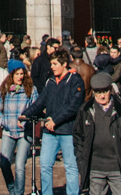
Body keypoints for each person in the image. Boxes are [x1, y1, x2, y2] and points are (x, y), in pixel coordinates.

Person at [75, 71, 121, 195]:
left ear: (110, 90)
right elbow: (78, 136)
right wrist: (81, 158)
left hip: (118, 167)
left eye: (105, 91)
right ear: (93, 92)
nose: (102, 96)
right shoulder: (85, 110)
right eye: (98, 92)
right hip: (95, 167)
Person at [40, 51, 90, 195]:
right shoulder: (50, 81)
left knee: (71, 167)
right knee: (45, 165)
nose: (52, 67)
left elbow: (74, 106)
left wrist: (56, 120)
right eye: (51, 64)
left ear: (64, 64)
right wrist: (25, 114)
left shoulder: (75, 80)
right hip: (50, 132)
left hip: (68, 131)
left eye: (55, 64)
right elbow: (40, 101)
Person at [0, 61, 39, 194]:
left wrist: (26, 121)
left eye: (22, 74)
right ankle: (12, 190)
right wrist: (4, 122)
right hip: (8, 132)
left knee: (20, 166)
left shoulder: (31, 90)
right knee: (4, 163)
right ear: (11, 75)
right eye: (17, 74)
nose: (20, 77)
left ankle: (18, 193)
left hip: (24, 134)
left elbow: (35, 108)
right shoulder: (4, 89)